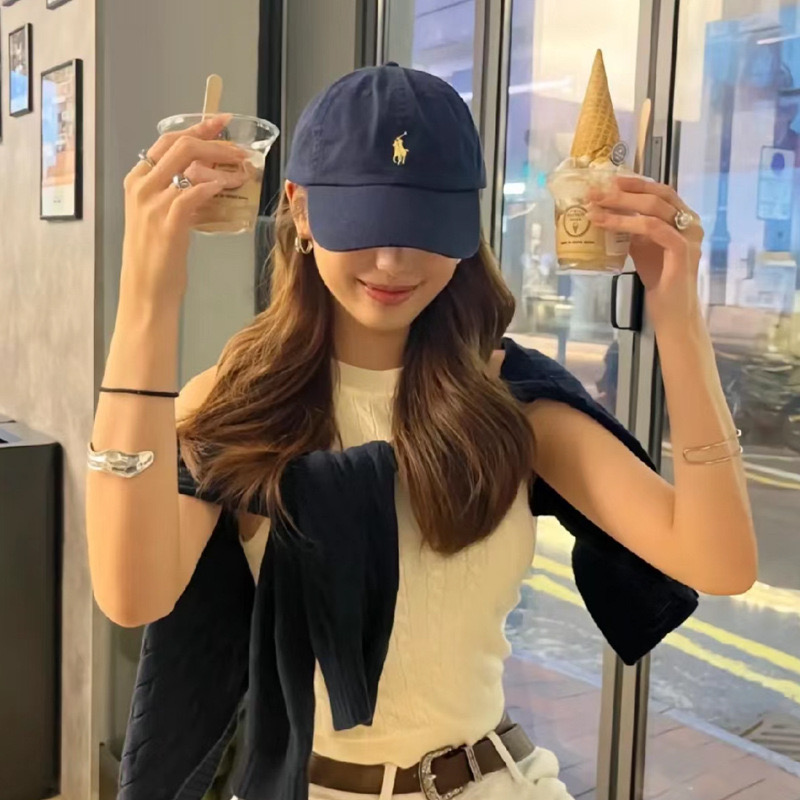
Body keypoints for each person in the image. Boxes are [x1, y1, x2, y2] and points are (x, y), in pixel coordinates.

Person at [86, 63, 757, 800]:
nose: (392, 261)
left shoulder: (508, 398)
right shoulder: (237, 403)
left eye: (423, 227)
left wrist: (677, 313)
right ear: (300, 210)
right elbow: (132, 595)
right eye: (366, 223)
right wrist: (148, 294)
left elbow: (717, 561)